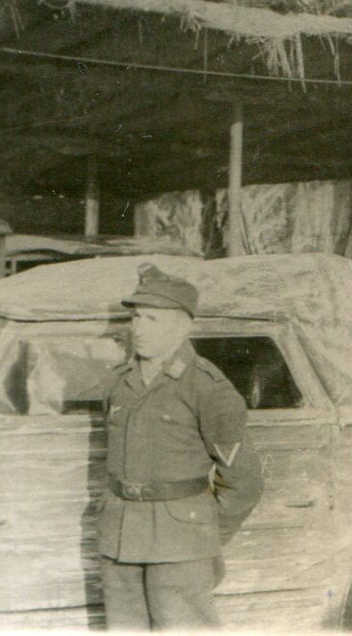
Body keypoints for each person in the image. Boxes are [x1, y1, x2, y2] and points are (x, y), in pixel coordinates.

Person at [98, 263, 263, 630]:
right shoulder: (119, 383)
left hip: (180, 542)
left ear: (182, 327)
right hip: (120, 536)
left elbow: (243, 481)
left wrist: (201, 535)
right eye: (136, 317)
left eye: (152, 319)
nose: (138, 328)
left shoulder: (207, 388)